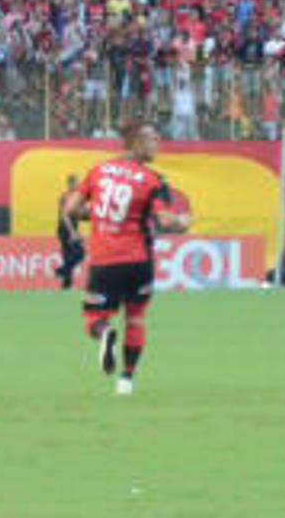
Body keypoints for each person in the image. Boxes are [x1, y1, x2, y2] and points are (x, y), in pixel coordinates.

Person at [63, 121, 192, 395]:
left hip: (104, 261)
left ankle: (104, 334)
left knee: (93, 318)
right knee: (135, 318)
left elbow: (72, 208)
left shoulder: (99, 171)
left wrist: (98, 214)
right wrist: (184, 221)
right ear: (135, 142)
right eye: (151, 139)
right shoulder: (154, 180)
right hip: (138, 262)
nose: (157, 142)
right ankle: (126, 381)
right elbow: (166, 222)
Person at [56, 174, 87, 289]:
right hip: (65, 227)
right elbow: (64, 216)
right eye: (75, 183)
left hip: (72, 226)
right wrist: (73, 232)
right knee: (79, 253)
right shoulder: (65, 197)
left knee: (69, 255)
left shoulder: (78, 198)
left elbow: (80, 215)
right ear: (70, 184)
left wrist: (77, 231)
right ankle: (62, 271)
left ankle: (66, 284)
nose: (77, 185)